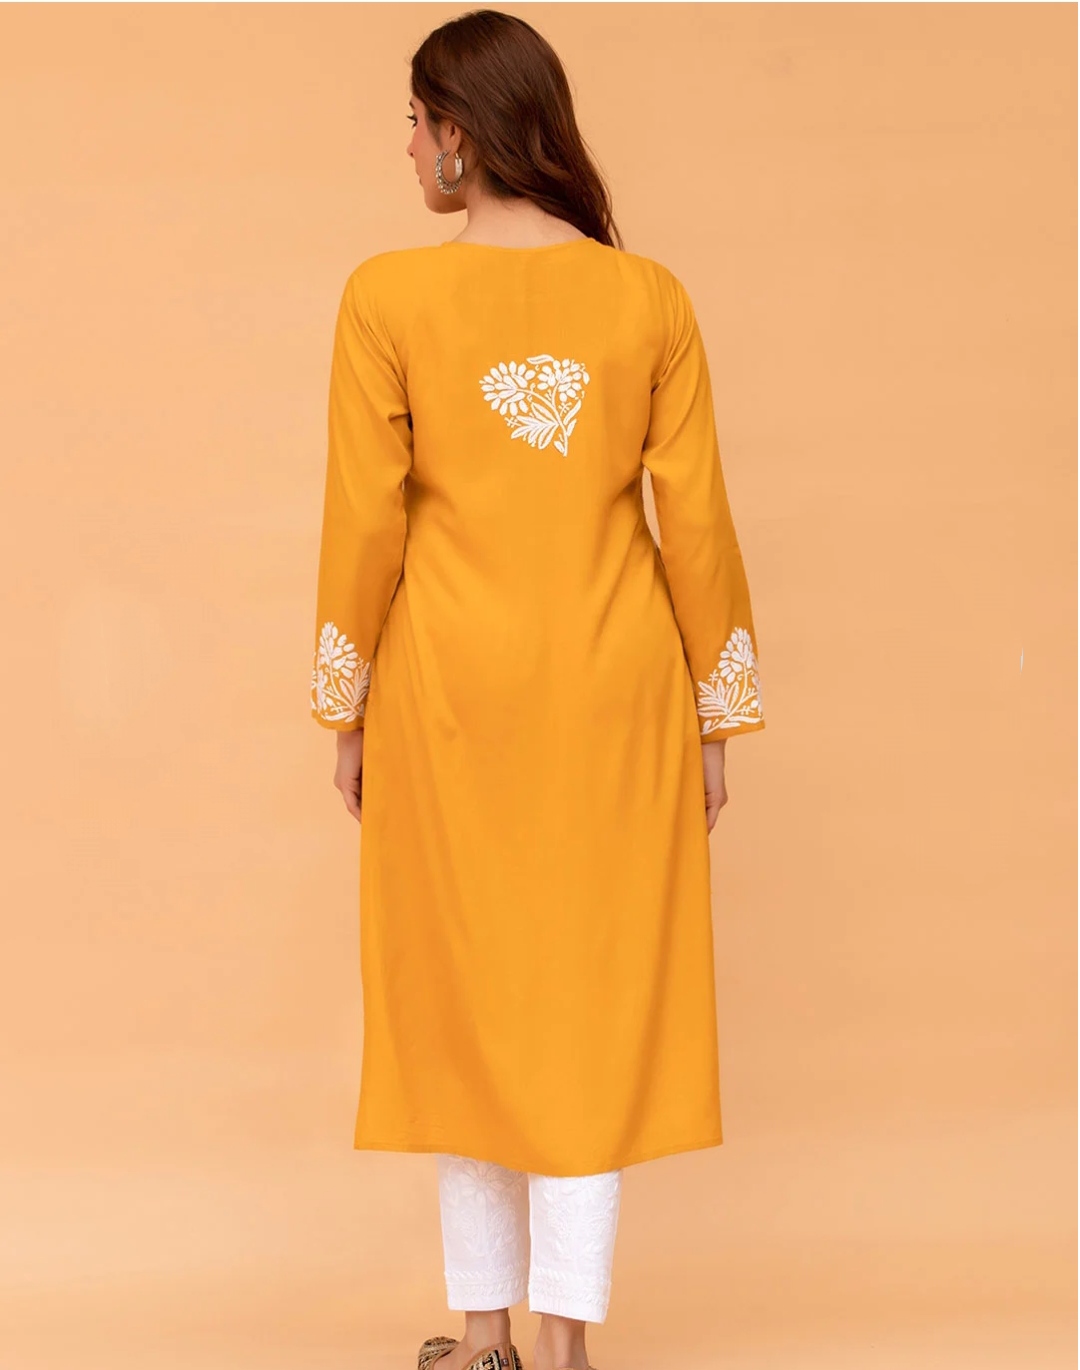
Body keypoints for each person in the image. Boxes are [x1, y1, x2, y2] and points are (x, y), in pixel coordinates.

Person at [309, 11, 766, 1370]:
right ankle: (565, 1347)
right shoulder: (649, 300)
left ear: (459, 130)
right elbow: (697, 525)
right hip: (617, 695)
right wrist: (717, 716)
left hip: (450, 695)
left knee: (467, 998)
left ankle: (484, 1336)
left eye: (412, 123)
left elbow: (364, 524)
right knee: (589, 1005)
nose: (405, 148)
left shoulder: (386, 299)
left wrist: (343, 704)